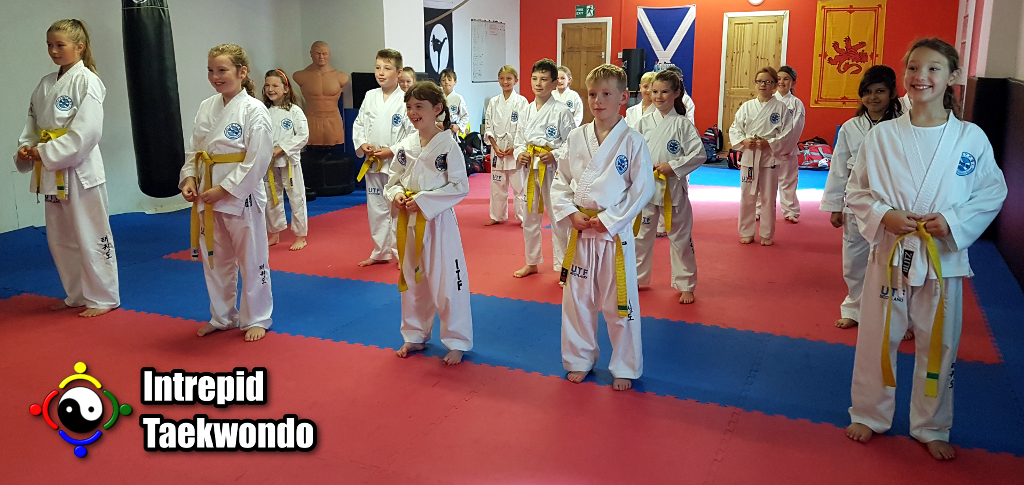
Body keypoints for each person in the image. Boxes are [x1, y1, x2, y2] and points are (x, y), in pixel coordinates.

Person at [844, 38, 1007, 461]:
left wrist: (952, 221)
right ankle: (869, 412)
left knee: (940, 343)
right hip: (891, 252)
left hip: (942, 257)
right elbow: (857, 191)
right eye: (914, 68)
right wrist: (884, 214)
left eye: (934, 68)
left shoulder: (970, 138)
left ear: (952, 77)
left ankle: (931, 424)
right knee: (876, 336)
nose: (921, 77)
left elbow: (992, 191)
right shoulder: (881, 137)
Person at [551, 63, 654, 391]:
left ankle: (625, 365)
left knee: (619, 302)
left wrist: (609, 220)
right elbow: (561, 181)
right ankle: (579, 358)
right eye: (592, 94)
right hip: (581, 230)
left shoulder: (633, 140)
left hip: (613, 233)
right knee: (576, 300)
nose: (597, 101)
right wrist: (570, 212)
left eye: (606, 94)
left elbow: (643, 189)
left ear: (623, 97)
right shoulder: (576, 137)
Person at [13, 19, 119, 318]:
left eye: (60, 45)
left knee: (91, 233)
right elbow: (33, 125)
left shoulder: (88, 81)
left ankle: (104, 297)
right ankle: (76, 294)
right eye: (50, 45)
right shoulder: (45, 83)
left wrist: (46, 152)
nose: (54, 51)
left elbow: (88, 132)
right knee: (60, 238)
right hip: (50, 169)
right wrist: (27, 148)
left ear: (80, 47)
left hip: (80, 169)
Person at [179, 44, 274, 342]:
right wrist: (189, 178)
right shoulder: (207, 106)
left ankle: (257, 317)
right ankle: (223, 316)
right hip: (207, 193)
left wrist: (224, 189)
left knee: (252, 258)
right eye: (210, 70)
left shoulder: (254, 110)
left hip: (240, 195)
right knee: (215, 259)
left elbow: (258, 159)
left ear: (242, 72)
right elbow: (194, 150)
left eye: (222, 70)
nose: (215, 76)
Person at [375, 81, 473, 365]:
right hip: (408, 220)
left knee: (446, 281)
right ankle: (415, 334)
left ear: (437, 109)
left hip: (437, 222)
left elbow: (460, 186)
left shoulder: (448, 145)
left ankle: (457, 340)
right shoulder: (405, 145)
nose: (413, 112)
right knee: (411, 278)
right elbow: (393, 180)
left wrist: (425, 200)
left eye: (419, 106)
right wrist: (396, 195)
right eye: (409, 107)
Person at [820, 65, 904, 331]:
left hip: (893, 202)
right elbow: (838, 168)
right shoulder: (850, 127)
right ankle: (854, 308)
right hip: (857, 202)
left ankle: (898, 315)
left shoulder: (904, 124)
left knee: (895, 260)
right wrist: (835, 206)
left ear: (892, 93)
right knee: (854, 260)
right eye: (867, 92)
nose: (873, 97)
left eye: (880, 91)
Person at [634, 70, 706, 304]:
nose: (658, 96)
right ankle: (636, 278)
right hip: (647, 189)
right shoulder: (643, 122)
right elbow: (631, 152)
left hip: (673, 189)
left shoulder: (683, 124)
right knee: (640, 236)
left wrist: (672, 166)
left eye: (664, 91)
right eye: (655, 91)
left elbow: (699, 154)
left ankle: (686, 284)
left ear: (676, 93)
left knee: (680, 238)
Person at [511, 59, 577, 278]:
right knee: (529, 218)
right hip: (530, 168)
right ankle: (532, 262)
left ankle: (564, 266)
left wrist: (554, 154)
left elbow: (571, 143)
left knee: (558, 217)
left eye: (544, 79)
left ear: (554, 83)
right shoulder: (526, 110)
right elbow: (519, 140)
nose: (538, 83)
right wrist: (519, 153)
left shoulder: (562, 111)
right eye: (534, 79)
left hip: (552, 170)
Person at [352, 49, 415, 267]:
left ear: (398, 73)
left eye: (387, 68)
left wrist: (392, 150)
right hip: (373, 163)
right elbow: (359, 123)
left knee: (396, 209)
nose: (380, 72)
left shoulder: (406, 100)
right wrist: (362, 144)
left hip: (395, 163)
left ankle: (401, 253)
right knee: (376, 208)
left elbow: (412, 135)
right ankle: (380, 251)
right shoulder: (370, 96)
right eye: (378, 67)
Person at [728, 67, 790, 246]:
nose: (763, 85)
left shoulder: (781, 108)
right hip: (749, 157)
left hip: (769, 158)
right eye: (760, 81)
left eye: (768, 82)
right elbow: (735, 128)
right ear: (755, 84)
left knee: (768, 197)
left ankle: (766, 233)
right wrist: (743, 140)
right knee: (747, 196)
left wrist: (769, 143)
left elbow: (787, 133)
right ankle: (746, 231)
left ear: (774, 86)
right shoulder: (747, 107)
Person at [262, 69, 310, 251]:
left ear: (285, 89)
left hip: (289, 162)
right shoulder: (263, 111)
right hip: (269, 163)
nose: (270, 89)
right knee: (271, 198)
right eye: (267, 85)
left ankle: (301, 236)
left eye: (275, 85)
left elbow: (303, 136)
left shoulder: (294, 111)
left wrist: (282, 148)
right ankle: (274, 233)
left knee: (296, 197)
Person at [483, 65, 529, 226]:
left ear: (516, 80)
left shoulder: (522, 102)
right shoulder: (493, 102)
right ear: (498, 80)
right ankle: (497, 215)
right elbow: (488, 125)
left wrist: (515, 147)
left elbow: (524, 127)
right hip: (498, 149)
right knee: (497, 184)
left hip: (515, 149)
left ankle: (523, 217)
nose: (505, 81)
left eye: (509, 78)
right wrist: (494, 146)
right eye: (502, 78)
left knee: (520, 185)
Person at [292, 41, 349, 148]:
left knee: (334, 154)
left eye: (324, 53)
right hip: (311, 120)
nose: (321, 57)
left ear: (329, 54)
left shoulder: (341, 77)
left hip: (333, 120)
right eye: (318, 53)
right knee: (312, 154)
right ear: (311, 54)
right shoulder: (301, 76)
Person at [770, 66, 806, 223]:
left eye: (786, 79)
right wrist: (769, 145)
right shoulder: (769, 100)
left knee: (788, 181)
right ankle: (759, 209)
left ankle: (790, 211)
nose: (782, 82)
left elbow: (795, 128)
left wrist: (783, 146)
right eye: (779, 79)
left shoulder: (796, 104)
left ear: (793, 82)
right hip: (768, 149)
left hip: (787, 149)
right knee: (764, 183)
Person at [440, 69, 470, 137]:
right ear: (440, 83)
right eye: (443, 80)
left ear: (455, 82)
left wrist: (458, 126)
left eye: (449, 80)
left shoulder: (458, 98)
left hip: (451, 129)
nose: (446, 82)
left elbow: (465, 116)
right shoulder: (435, 97)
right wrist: (436, 124)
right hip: (438, 129)